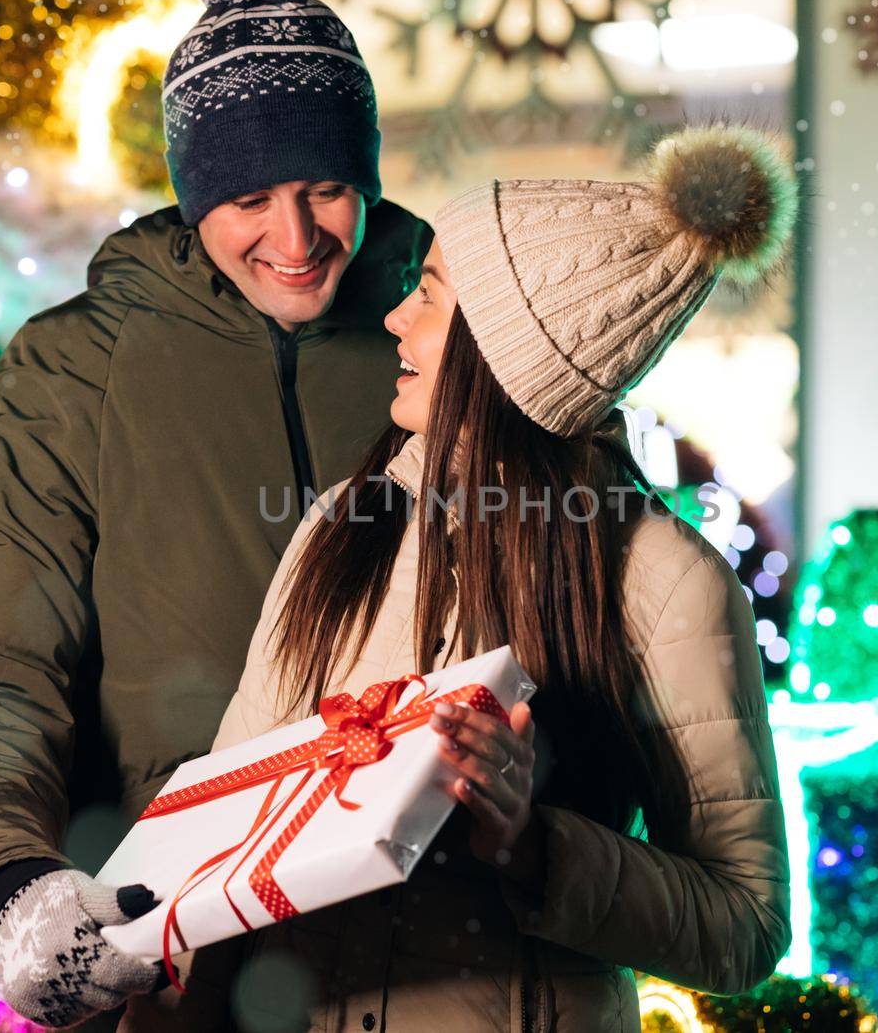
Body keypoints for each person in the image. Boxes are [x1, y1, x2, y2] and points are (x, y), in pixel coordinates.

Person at [0, 0, 429, 1026]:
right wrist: (11, 882)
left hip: (441, 953)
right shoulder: (69, 377)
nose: (295, 238)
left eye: (325, 188)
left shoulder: (452, 338)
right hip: (181, 958)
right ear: (192, 195)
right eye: (247, 199)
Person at [205, 125, 798, 1032]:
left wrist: (535, 841)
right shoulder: (342, 528)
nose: (398, 320)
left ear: (506, 351)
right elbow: (221, 826)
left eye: (431, 297)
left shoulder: (666, 582)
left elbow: (745, 928)